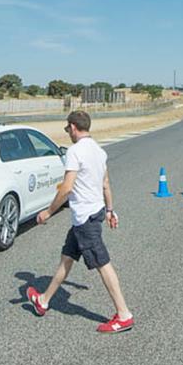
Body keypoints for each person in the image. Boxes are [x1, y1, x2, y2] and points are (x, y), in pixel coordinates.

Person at [26, 110, 133, 334]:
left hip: (85, 219)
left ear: (73, 127)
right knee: (67, 258)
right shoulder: (99, 151)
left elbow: (66, 187)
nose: (68, 133)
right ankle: (44, 300)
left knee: (102, 263)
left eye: (67, 129)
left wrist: (48, 212)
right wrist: (111, 210)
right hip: (93, 214)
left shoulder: (75, 152)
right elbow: (105, 184)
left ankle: (123, 315)